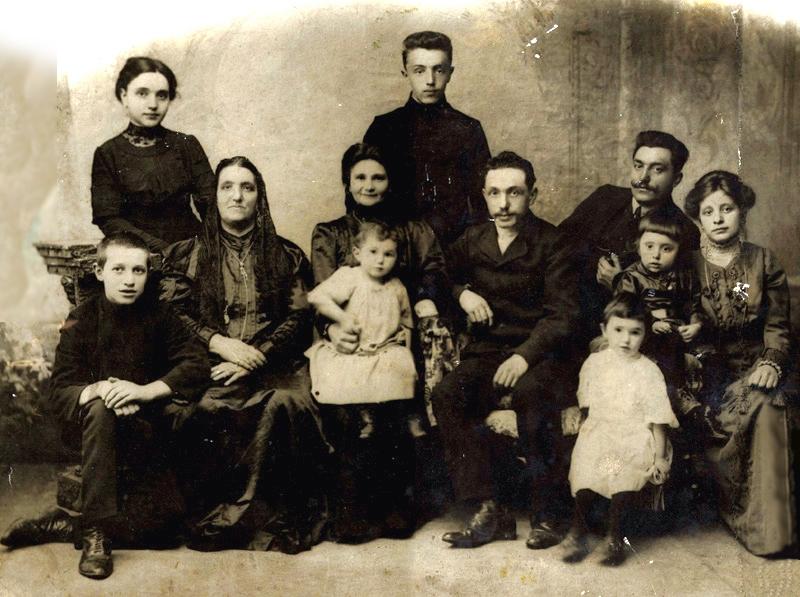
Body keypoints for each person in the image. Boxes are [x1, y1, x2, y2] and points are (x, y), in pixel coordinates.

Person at [1, 232, 209, 580]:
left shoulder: (161, 316)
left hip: (146, 429)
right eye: (119, 269)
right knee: (100, 408)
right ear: (99, 272)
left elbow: (196, 364)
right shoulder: (81, 319)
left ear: (148, 274)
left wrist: (142, 392)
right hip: (91, 434)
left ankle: (64, 525)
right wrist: (100, 390)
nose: (129, 280)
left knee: (163, 537)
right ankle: (95, 532)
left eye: (138, 271)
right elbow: (60, 391)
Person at [160, 156, 329, 554]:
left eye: (247, 187)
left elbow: (299, 317)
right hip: (210, 364)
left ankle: (272, 520)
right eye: (227, 187)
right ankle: (218, 519)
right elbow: (172, 314)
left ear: (259, 196)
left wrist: (258, 353)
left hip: (274, 364)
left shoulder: (286, 254)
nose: (237, 196)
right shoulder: (187, 254)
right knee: (203, 408)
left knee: (288, 402)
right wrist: (219, 344)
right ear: (214, 195)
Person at [432, 151, 580, 550]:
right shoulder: (473, 240)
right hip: (488, 352)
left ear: (533, 194)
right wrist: (461, 294)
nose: (503, 203)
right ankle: (490, 507)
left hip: (541, 354)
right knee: (447, 395)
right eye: (495, 193)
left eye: (514, 193)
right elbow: (438, 276)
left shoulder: (553, 242)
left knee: (533, 394)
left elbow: (563, 315)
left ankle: (547, 511)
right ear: (483, 195)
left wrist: (524, 356)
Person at [310, 142, 449, 541]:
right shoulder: (331, 232)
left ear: (390, 183)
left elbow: (433, 270)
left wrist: (424, 299)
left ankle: (396, 507)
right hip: (346, 341)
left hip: (392, 342)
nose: (369, 185)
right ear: (347, 182)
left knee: (392, 418)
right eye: (360, 177)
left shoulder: (410, 227)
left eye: (378, 177)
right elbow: (321, 294)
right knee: (356, 422)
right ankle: (353, 512)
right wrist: (334, 329)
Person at [685, 170, 797, 556]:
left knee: (771, 403)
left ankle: (774, 532)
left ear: (742, 212)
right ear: (698, 217)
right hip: (707, 377)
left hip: (760, 367)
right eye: (709, 211)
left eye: (727, 209)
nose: (718, 218)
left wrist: (772, 362)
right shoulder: (687, 265)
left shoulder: (763, 261)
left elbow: (778, 327)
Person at [306, 221, 419, 541]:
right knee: (353, 436)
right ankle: (350, 518)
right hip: (352, 356)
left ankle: (392, 513)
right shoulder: (349, 277)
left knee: (392, 432)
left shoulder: (397, 287)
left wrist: (402, 347)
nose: (381, 260)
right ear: (357, 253)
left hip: (383, 355)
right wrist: (341, 318)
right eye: (373, 252)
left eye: (389, 254)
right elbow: (316, 297)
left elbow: (407, 326)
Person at [560, 294, 678, 567]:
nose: (626, 339)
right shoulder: (594, 363)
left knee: (621, 470)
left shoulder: (648, 371)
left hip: (636, 434)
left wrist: (660, 457)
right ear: (604, 330)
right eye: (618, 330)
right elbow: (588, 406)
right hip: (603, 430)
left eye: (635, 332)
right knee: (587, 468)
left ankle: (615, 536)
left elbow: (658, 419)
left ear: (645, 334)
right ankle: (577, 531)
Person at [559, 130, 699, 338]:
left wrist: (620, 284)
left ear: (676, 179)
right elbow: (557, 247)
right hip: (573, 321)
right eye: (638, 165)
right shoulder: (604, 198)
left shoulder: (684, 231)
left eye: (657, 169)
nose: (643, 178)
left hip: (632, 335)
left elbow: (675, 306)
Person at [364, 31, 491, 245]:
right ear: (405, 73)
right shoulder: (384, 128)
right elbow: (362, 197)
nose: (430, 81)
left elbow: (484, 200)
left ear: (450, 73)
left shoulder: (468, 129)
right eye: (419, 71)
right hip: (393, 246)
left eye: (439, 70)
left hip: (455, 246)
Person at [91, 57, 216, 253]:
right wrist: (164, 250)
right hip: (137, 256)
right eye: (142, 94)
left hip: (193, 252)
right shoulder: (108, 154)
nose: (153, 104)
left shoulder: (186, 144)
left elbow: (212, 206)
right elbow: (109, 219)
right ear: (124, 96)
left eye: (162, 95)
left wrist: (203, 249)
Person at [613, 211, 704, 415]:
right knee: (668, 343)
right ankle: (676, 393)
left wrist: (695, 323)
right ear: (637, 245)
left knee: (708, 354)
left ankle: (704, 410)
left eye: (666, 249)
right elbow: (626, 309)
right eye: (649, 246)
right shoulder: (631, 277)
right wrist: (651, 322)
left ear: (678, 250)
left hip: (677, 329)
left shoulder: (683, 276)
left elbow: (694, 304)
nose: (656, 255)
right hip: (644, 332)